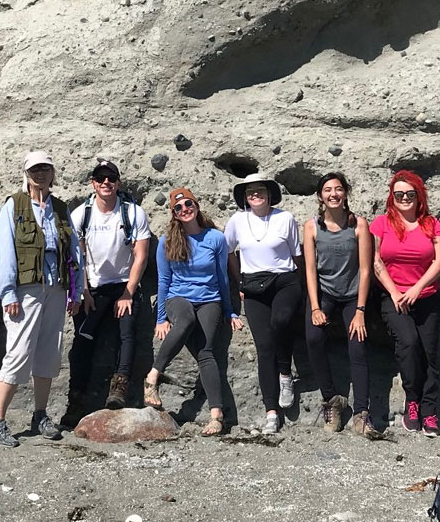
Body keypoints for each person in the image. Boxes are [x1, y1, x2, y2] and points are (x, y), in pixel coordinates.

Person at [0, 151, 84, 448]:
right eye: (35, 169)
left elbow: (75, 252)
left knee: (49, 354)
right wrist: (8, 292)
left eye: (45, 169)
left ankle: (39, 415)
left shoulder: (61, 208)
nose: (40, 174)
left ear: (53, 173)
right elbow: (5, 251)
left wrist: (76, 291)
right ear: (26, 173)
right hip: (24, 291)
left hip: (55, 289)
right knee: (18, 353)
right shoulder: (14, 206)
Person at [143, 188, 243, 437]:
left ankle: (216, 417)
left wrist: (230, 312)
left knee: (207, 352)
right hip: (179, 298)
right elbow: (163, 281)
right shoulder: (168, 242)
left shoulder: (215, 238)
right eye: (178, 208)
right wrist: (161, 318)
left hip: (210, 300)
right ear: (174, 214)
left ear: (196, 206)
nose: (185, 209)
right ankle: (153, 376)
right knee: (185, 320)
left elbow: (222, 278)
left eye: (189, 204)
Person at [61, 159, 151, 428]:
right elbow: (76, 257)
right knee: (83, 341)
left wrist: (128, 293)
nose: (106, 183)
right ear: (93, 183)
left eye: (111, 178)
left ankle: (119, 389)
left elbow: (141, 255)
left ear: (118, 183)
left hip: (124, 283)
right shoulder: (81, 215)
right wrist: (82, 291)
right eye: (100, 178)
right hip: (94, 286)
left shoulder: (133, 213)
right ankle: (76, 401)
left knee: (127, 333)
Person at [371, 170, 440, 438]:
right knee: (409, 342)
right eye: (398, 194)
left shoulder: (432, 224)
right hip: (392, 296)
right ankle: (411, 400)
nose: (404, 198)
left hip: (426, 297)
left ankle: (430, 410)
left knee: (429, 353)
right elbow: (375, 260)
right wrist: (394, 292)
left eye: (410, 194)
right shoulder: (381, 223)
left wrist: (417, 289)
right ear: (392, 197)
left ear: (419, 197)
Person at [224, 173, 303, 434]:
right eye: (249, 192)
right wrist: (239, 282)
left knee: (281, 321)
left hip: (284, 280)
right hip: (254, 286)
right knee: (264, 347)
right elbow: (228, 252)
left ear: (270, 194)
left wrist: (303, 288)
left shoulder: (285, 218)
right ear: (244, 198)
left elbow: (296, 254)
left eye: (260, 190)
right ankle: (271, 411)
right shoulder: (237, 220)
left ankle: (285, 373)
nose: (254, 194)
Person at [303, 172, 374, 435]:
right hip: (325, 294)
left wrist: (360, 310)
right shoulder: (312, 226)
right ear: (320, 196)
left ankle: (361, 413)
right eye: (327, 190)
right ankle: (332, 400)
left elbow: (366, 270)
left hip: (353, 296)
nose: (333, 194)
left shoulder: (359, 225)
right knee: (313, 337)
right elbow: (310, 270)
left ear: (345, 193)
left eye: (338, 189)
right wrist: (315, 307)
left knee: (358, 346)